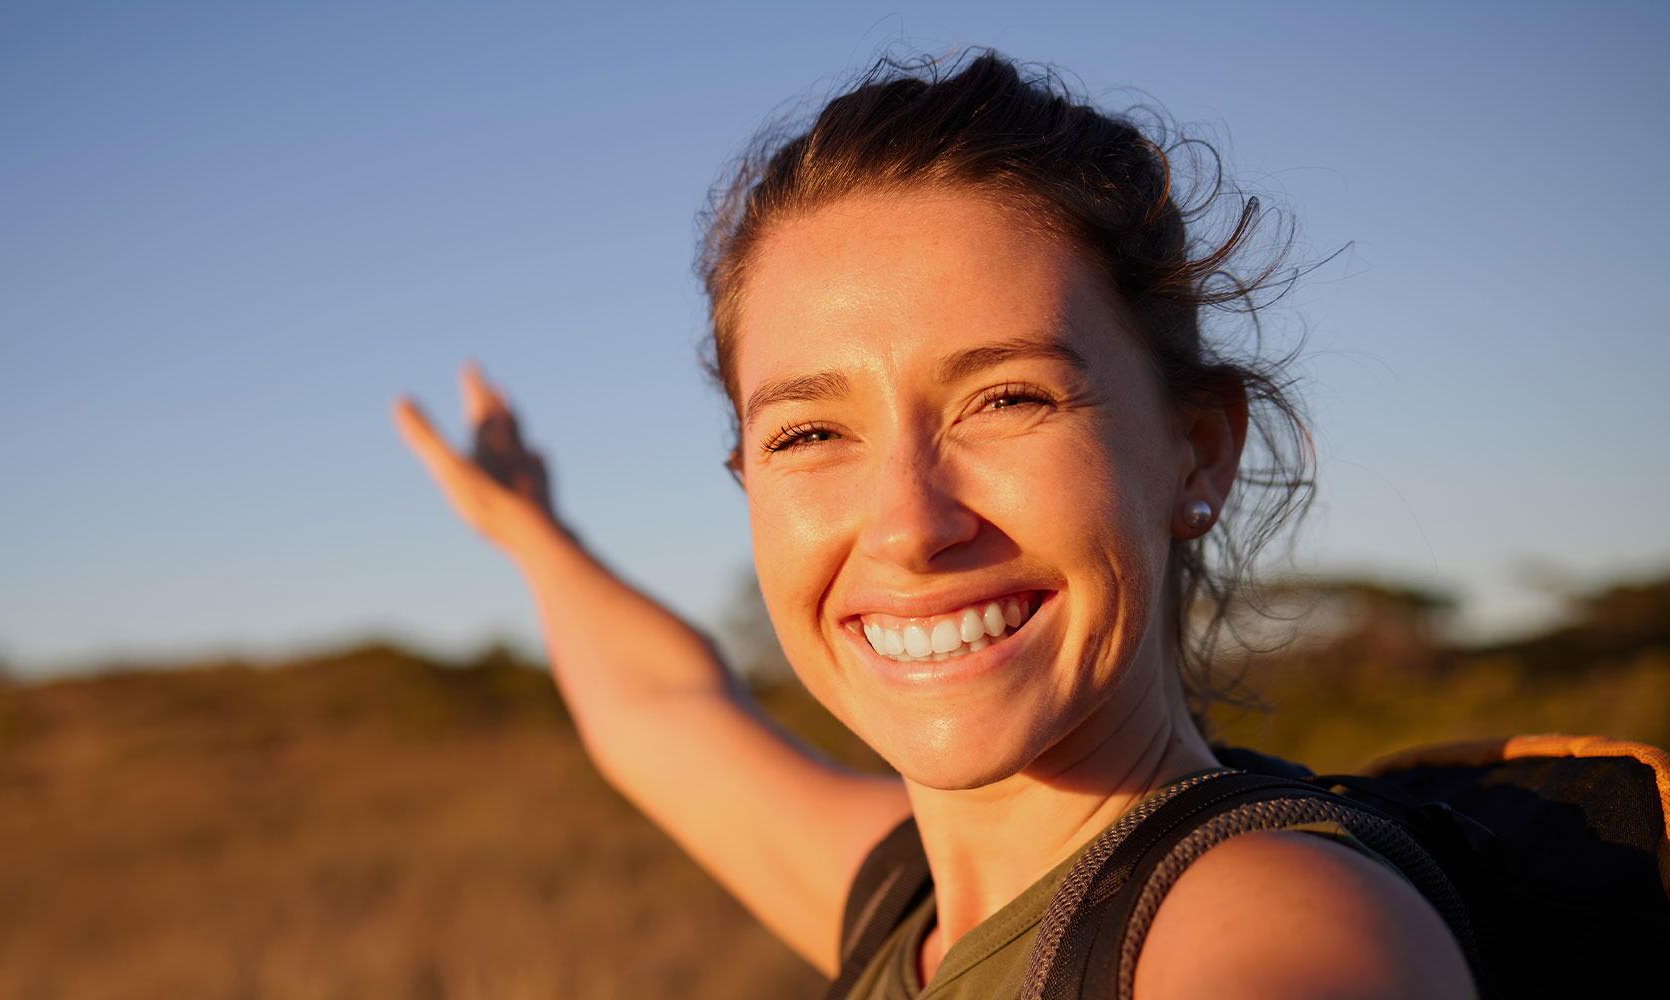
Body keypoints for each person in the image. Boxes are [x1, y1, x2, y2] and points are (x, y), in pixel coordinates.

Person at [392, 52, 1476, 999]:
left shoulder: (1273, 928)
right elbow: (661, 712)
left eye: (1005, 400)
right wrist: (531, 532)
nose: (908, 526)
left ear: (1196, 448)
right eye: (809, 433)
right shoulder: (911, 906)